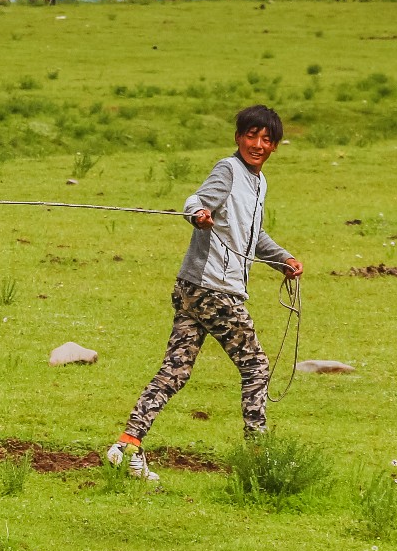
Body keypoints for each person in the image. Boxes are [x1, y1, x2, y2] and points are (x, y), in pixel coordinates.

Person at [109, 104, 301, 484]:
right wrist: (198, 215)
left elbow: (252, 235)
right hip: (212, 290)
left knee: (174, 372)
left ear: (275, 146)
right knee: (257, 367)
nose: (257, 144)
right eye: (251, 136)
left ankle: (126, 445)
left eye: (266, 139)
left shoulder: (259, 183)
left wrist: (283, 258)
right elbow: (195, 201)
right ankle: (258, 460)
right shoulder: (228, 170)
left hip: (192, 291)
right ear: (238, 137)